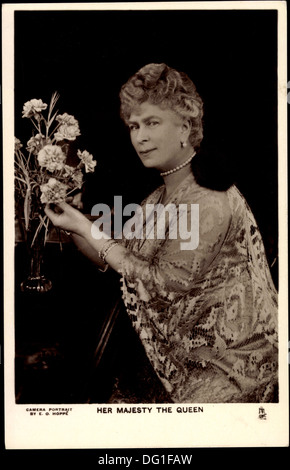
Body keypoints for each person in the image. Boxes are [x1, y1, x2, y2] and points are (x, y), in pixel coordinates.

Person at [45, 63, 278, 403]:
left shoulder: (209, 197)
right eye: (134, 125)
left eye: (152, 123)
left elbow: (164, 284)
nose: (140, 137)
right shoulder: (159, 197)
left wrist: (85, 227)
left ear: (185, 126)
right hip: (184, 360)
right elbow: (114, 255)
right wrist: (71, 219)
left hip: (233, 369)